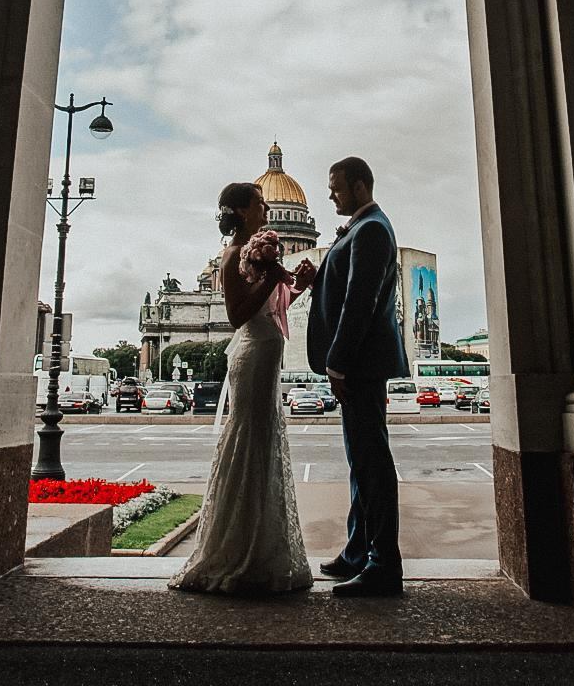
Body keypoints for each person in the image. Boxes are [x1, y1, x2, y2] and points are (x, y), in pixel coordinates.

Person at [169, 182, 314, 595]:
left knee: (263, 445)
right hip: (252, 356)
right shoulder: (234, 254)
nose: (266, 207)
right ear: (242, 211)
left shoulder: (252, 253)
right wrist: (272, 277)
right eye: (259, 202)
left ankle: (258, 549)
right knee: (250, 441)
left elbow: (271, 308)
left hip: (266, 352)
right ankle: (240, 553)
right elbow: (237, 315)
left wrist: (298, 285)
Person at [305, 156, 410, 596]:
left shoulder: (371, 230)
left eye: (336, 186)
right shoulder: (364, 228)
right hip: (361, 363)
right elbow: (345, 286)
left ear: (360, 186)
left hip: (361, 365)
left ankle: (383, 564)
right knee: (361, 461)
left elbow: (359, 302)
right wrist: (318, 278)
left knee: (372, 464)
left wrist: (338, 362)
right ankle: (358, 551)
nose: (330, 194)